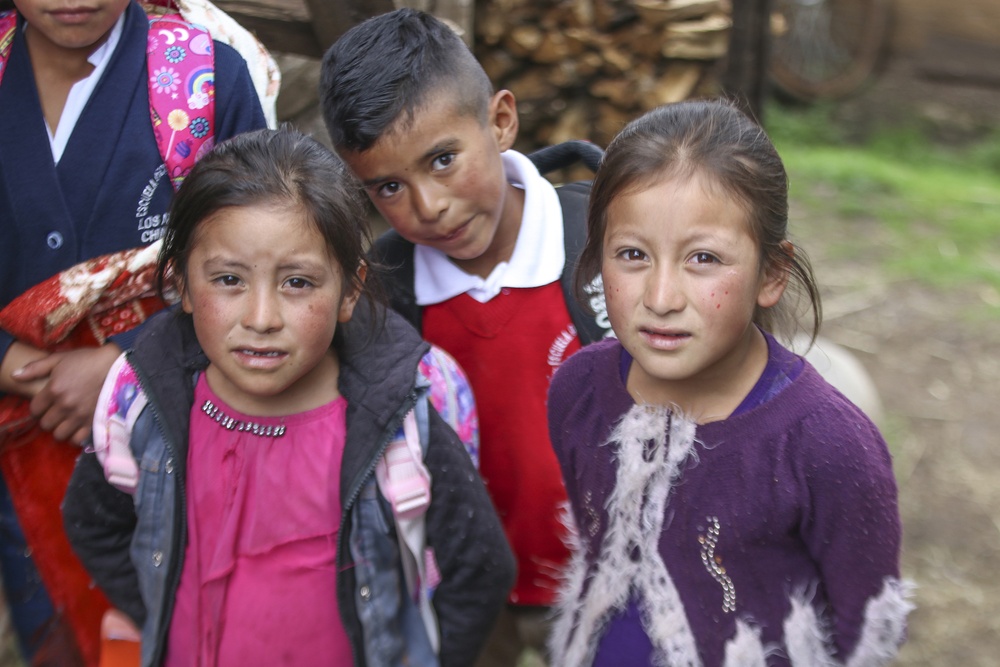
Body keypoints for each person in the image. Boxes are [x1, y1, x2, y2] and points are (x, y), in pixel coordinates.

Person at [62, 128, 515, 667]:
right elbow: (94, 521)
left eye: (297, 283)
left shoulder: (397, 417)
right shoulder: (141, 406)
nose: (261, 318)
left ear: (349, 290)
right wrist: (164, 609)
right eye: (229, 279)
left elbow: (481, 565)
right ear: (182, 282)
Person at [546, 100, 913, 667]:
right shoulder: (578, 392)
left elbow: (864, 630)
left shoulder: (829, 447)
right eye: (633, 254)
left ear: (771, 273)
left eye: (703, 258)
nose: (661, 298)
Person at [319, 10, 611, 664]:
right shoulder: (381, 296)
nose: (428, 206)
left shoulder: (604, 245)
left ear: (501, 120)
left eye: (443, 160)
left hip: (615, 580)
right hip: (466, 588)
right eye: (389, 186)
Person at [0, 0, 266, 662]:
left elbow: (263, 263)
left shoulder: (206, 83)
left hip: (176, 456)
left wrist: (125, 366)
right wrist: (8, 361)